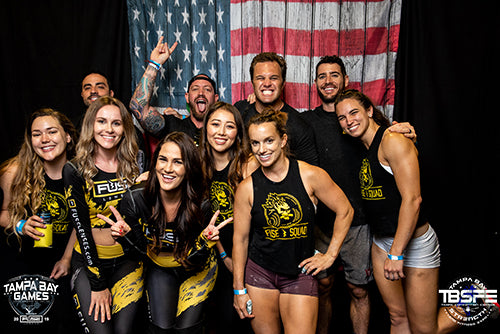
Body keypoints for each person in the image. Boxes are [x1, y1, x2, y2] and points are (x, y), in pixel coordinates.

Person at [301, 55, 420, 334]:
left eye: (334, 75)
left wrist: (409, 132)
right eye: (322, 76)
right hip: (322, 222)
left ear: (345, 80)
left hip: (360, 222)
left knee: (358, 289)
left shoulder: (365, 121)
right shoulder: (305, 121)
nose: (328, 81)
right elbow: (272, 125)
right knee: (323, 286)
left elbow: (394, 145)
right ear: (315, 83)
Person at [335, 89, 459, 334]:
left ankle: (473, 300)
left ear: (369, 111)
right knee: (397, 317)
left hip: (414, 243)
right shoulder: (365, 148)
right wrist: (389, 251)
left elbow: (413, 200)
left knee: (425, 330)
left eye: (354, 112)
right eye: (342, 117)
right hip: (382, 243)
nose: (349, 121)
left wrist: (397, 253)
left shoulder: (393, 140)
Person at [232, 108, 353, 334]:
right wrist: (238, 290)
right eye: (255, 143)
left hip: (299, 273)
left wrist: (330, 255)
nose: (262, 149)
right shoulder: (246, 188)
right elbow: (240, 240)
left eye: (269, 140)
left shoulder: (310, 175)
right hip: (260, 275)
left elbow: (345, 210)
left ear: (283, 140)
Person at [100, 131, 231, 334]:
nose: (168, 169)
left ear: (189, 168)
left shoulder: (201, 203)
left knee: (187, 330)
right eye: (163, 159)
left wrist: (205, 242)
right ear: (155, 163)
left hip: (196, 267)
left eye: (178, 162)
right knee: (161, 329)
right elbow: (138, 256)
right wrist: (126, 238)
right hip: (159, 267)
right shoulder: (135, 199)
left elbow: (196, 260)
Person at [63, 96, 144, 333]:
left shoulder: (136, 162)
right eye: (101, 121)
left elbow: (142, 220)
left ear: (124, 128)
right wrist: (97, 284)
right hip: (89, 263)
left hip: (127, 262)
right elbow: (81, 229)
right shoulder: (74, 169)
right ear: (91, 125)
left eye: (116, 123)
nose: (109, 129)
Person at [0, 108, 78, 332]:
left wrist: (66, 259)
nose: (45, 139)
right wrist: (21, 225)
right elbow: (3, 212)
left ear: (67, 136)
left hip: (60, 265)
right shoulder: (14, 172)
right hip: (21, 262)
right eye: (36, 134)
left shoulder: (80, 174)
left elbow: (83, 223)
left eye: (52, 131)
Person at [200, 101, 258, 333]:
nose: (221, 132)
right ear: (206, 129)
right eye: (215, 124)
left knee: (247, 320)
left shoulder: (249, 165)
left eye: (229, 126)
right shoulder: (197, 165)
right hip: (216, 254)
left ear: (238, 133)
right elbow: (205, 223)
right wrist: (224, 256)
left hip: (251, 255)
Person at [129, 36, 219, 147]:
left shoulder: (223, 131)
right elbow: (137, 106)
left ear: (215, 98)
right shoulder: (173, 125)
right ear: (187, 97)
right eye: (195, 89)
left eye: (207, 89)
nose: (201, 93)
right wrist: (154, 64)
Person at [234, 52, 318, 165]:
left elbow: (309, 174)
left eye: (273, 78)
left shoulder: (299, 125)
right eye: (260, 78)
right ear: (252, 83)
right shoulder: (239, 111)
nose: (267, 83)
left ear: (283, 83)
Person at [80, 71, 154, 173]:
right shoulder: (74, 128)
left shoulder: (133, 133)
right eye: (87, 88)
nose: (93, 91)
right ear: (82, 94)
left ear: (111, 93)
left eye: (100, 87)